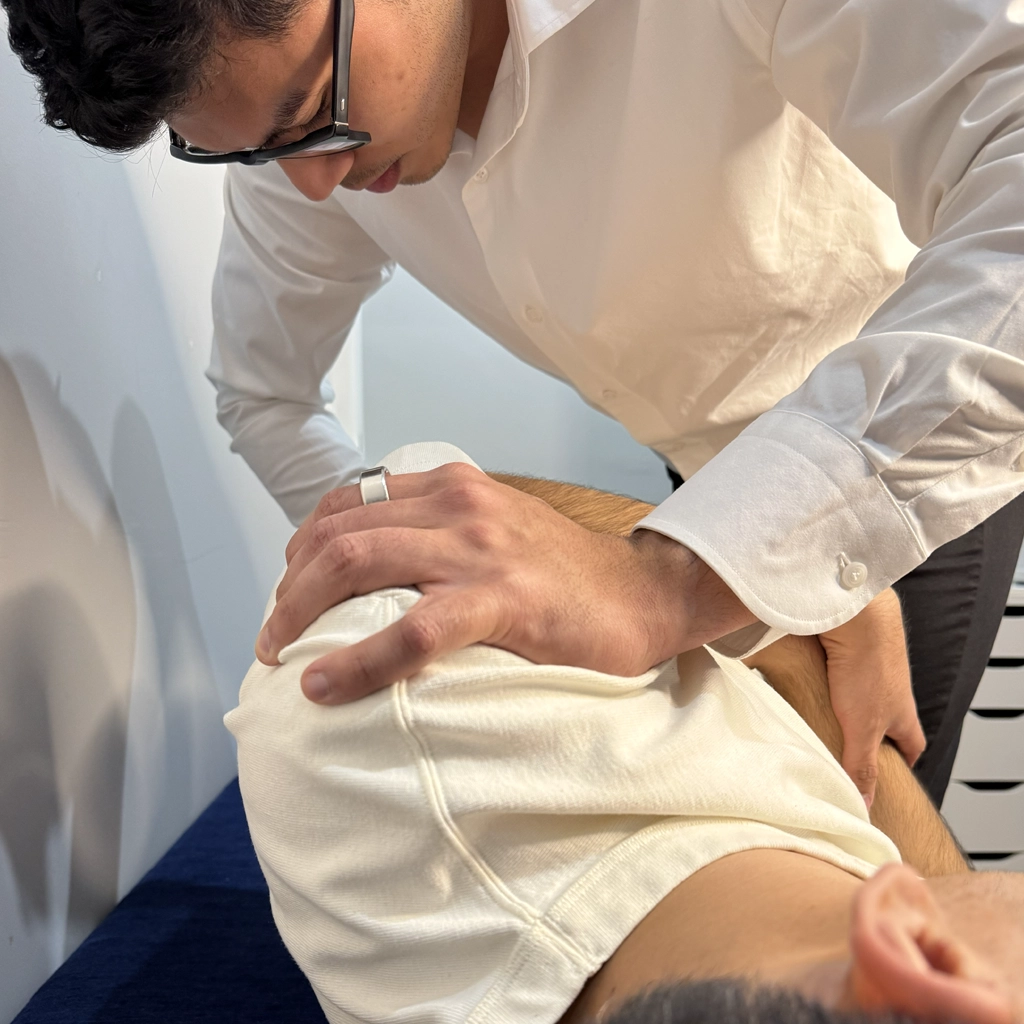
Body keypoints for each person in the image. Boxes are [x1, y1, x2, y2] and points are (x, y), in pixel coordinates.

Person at [8, 0, 1024, 806]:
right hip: (687, 487)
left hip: (915, 444)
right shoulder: (314, 151)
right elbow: (263, 392)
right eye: (252, 149)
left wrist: (697, 572)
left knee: (863, 867)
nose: (314, 183)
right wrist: (390, 562)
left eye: (314, 111)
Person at [225, 444, 1022, 1024]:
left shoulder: (405, 712)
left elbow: (400, 514)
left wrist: (705, 583)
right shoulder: (822, 937)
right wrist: (774, 600)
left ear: (917, 955)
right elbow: (919, 868)